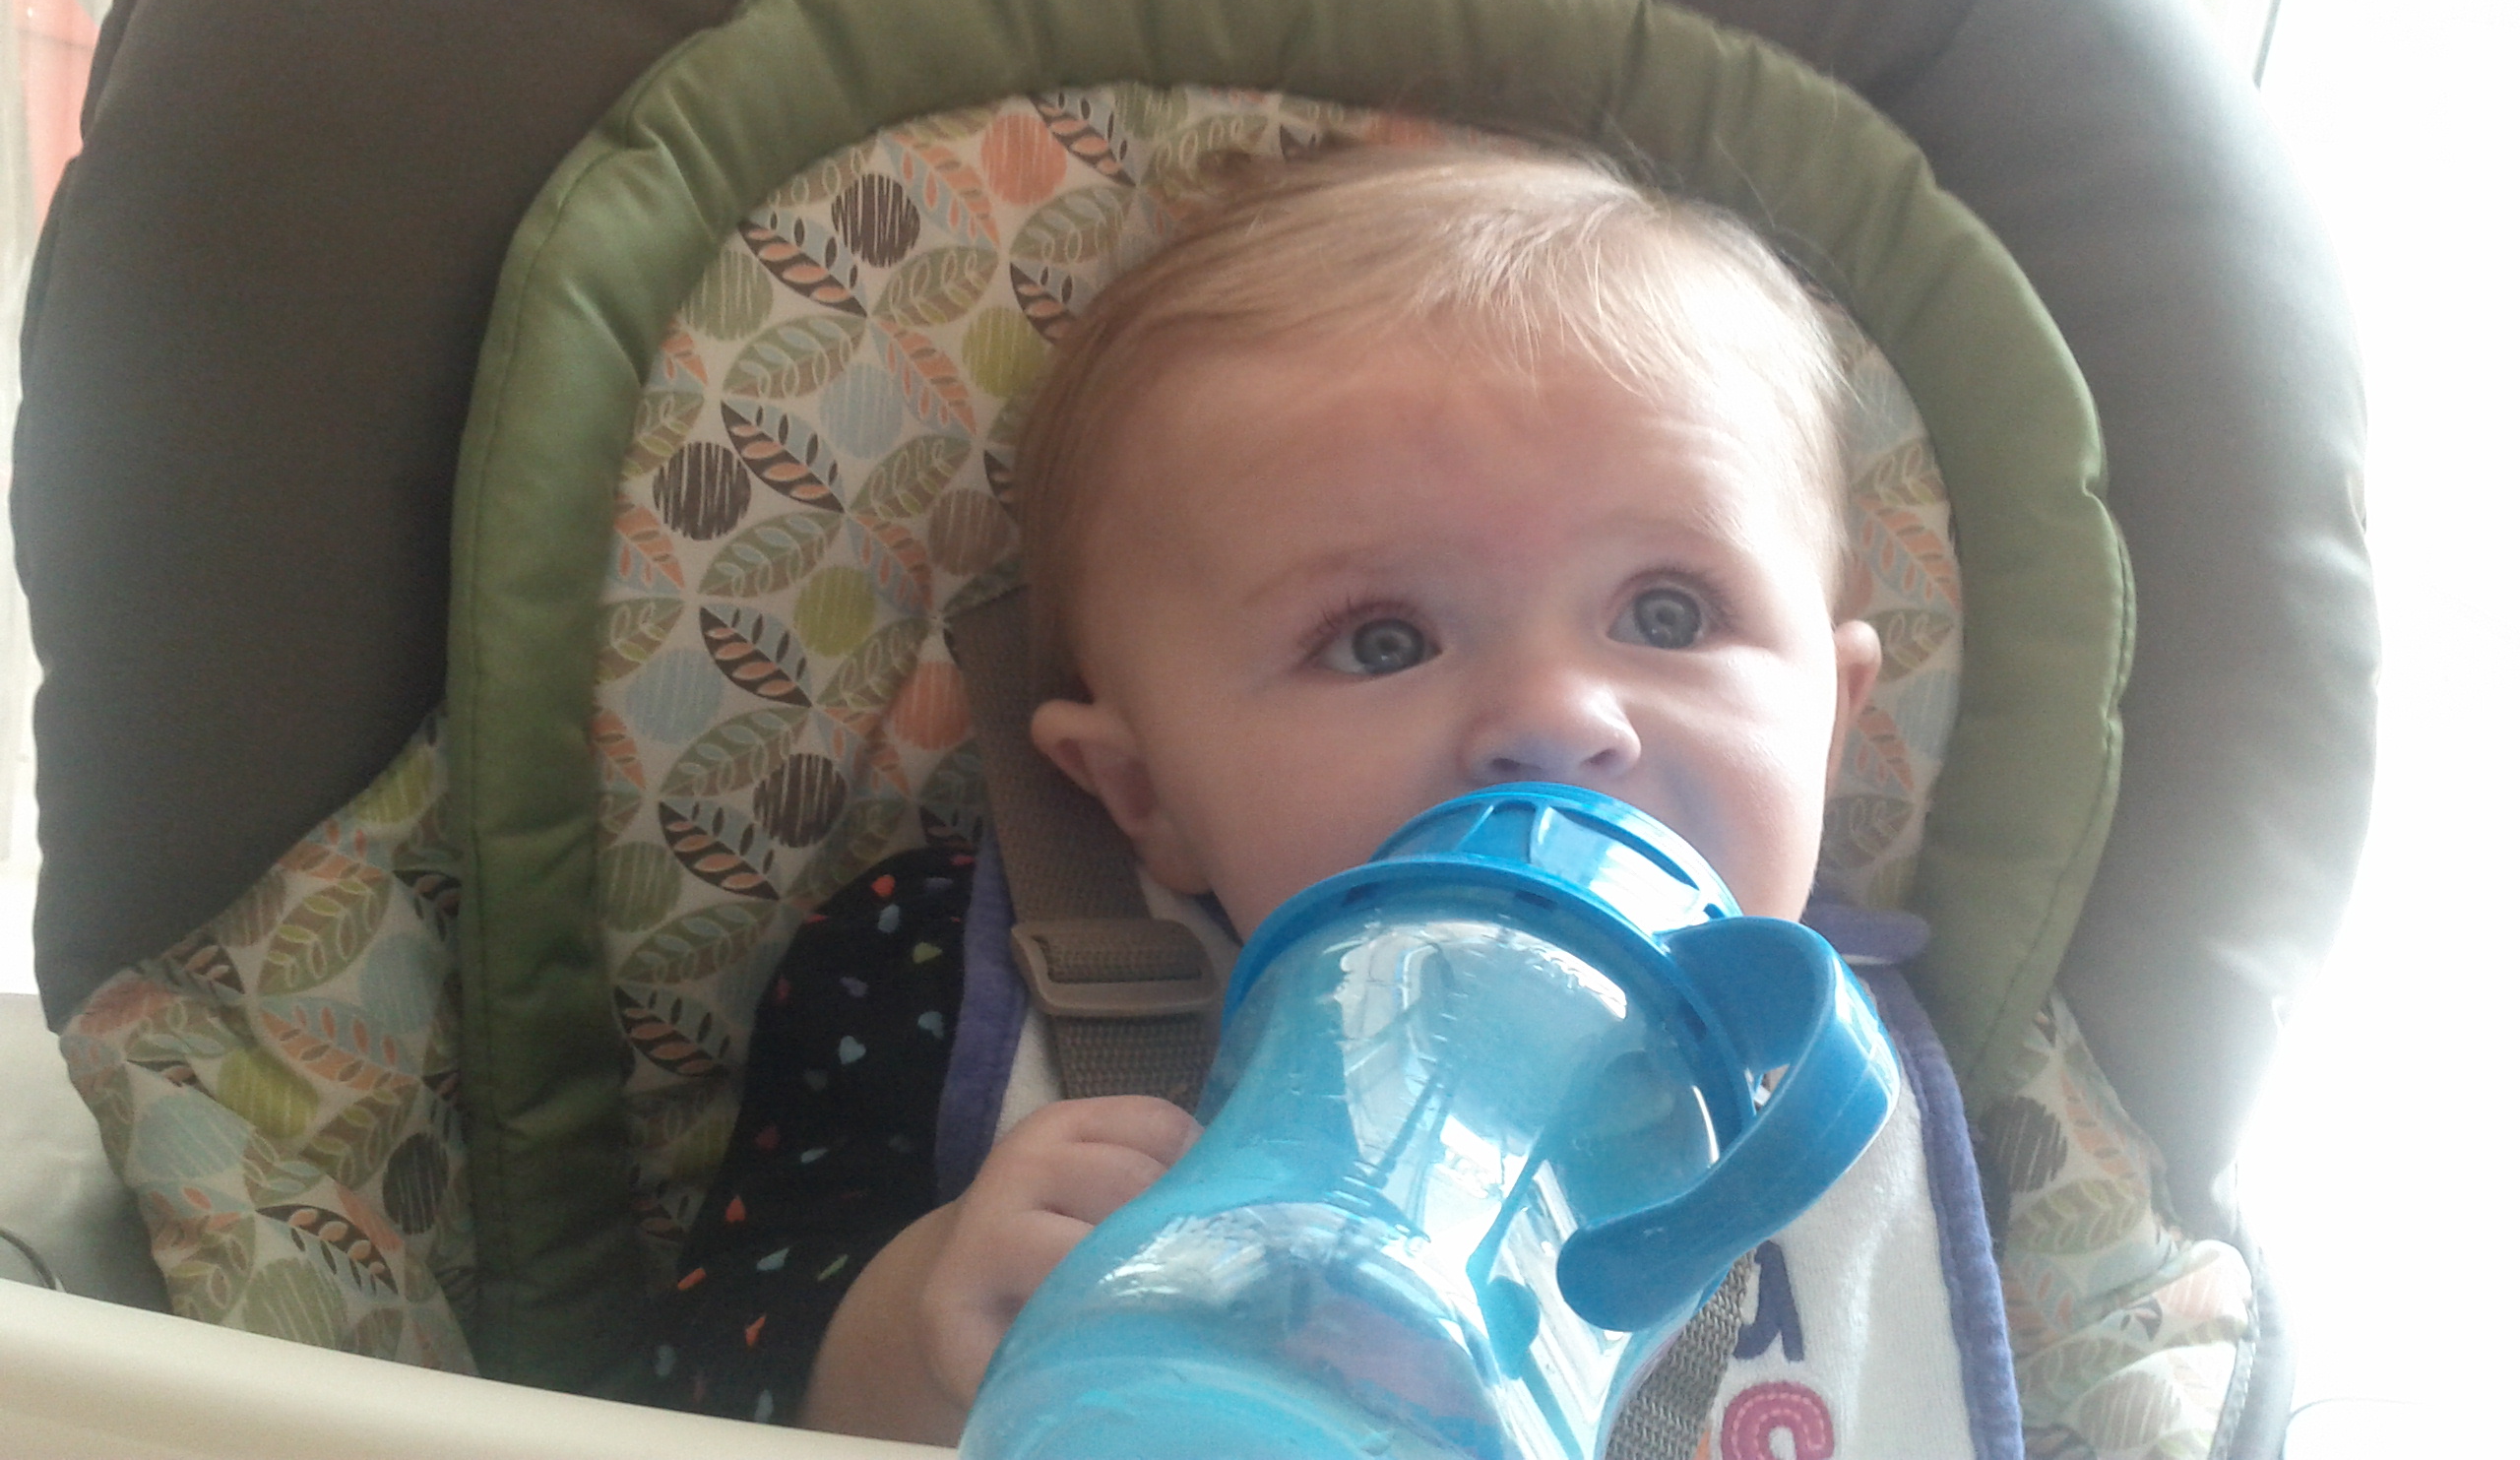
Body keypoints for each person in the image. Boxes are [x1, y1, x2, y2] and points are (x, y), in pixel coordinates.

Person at [653, 142, 1881, 1441]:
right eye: (1382, 641)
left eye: (1670, 612)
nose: (1556, 718)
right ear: (1143, 792)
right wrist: (914, 1338)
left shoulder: (1928, 1110)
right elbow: (682, 1387)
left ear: (1832, 726)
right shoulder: (932, 975)